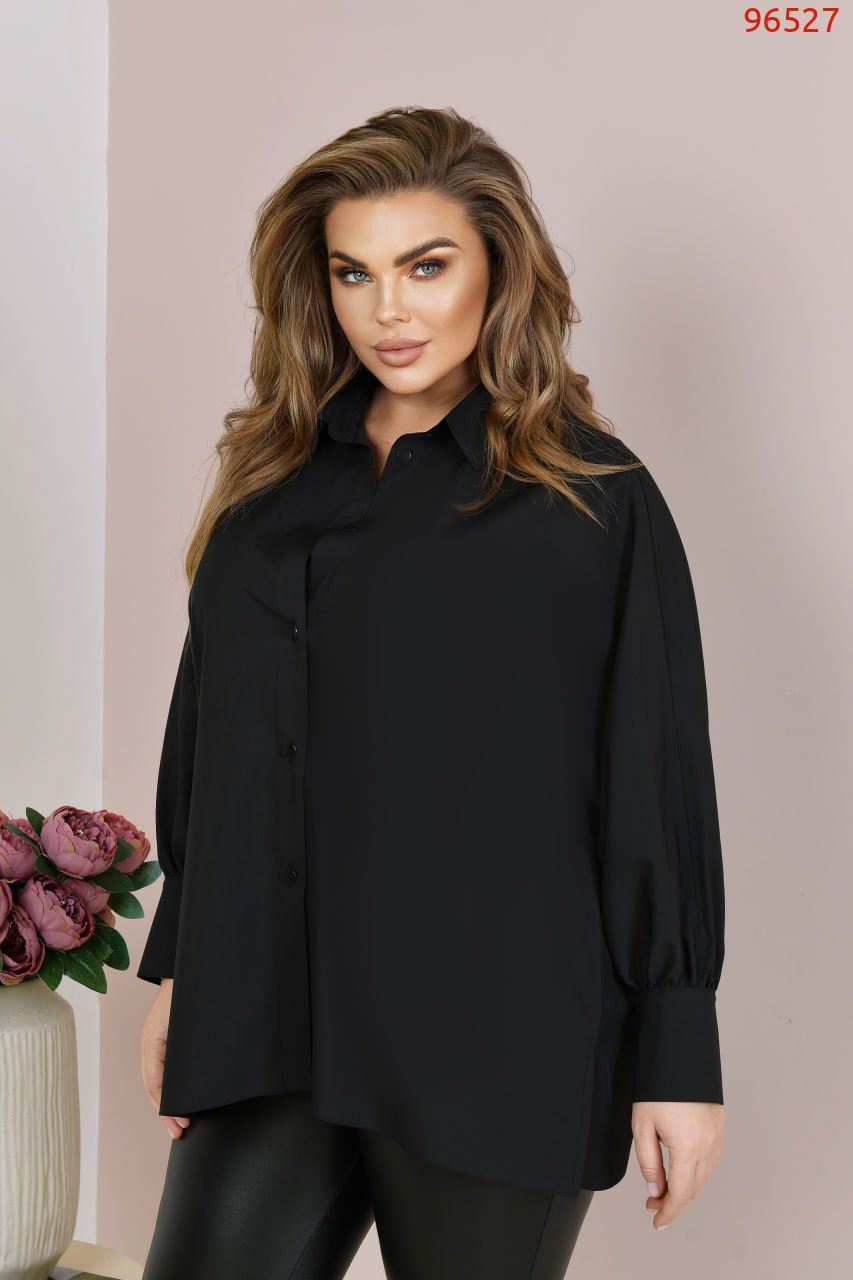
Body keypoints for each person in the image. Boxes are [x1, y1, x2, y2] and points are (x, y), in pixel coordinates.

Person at [137, 105, 725, 1279]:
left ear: (498, 269)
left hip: (494, 1028)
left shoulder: (589, 501)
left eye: (425, 266)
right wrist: (180, 969)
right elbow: (216, 744)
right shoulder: (268, 487)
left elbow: (652, 783)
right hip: (270, 1017)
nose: (386, 310)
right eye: (353, 272)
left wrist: (677, 1054)